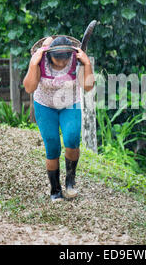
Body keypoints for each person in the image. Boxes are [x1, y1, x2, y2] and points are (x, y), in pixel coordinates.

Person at [23, 36, 94, 201]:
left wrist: (87, 64)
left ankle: (70, 181)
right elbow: (29, 88)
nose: (61, 64)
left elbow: (88, 87)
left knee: (72, 140)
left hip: (70, 105)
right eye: (57, 61)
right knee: (53, 147)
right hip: (45, 106)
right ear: (49, 55)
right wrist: (33, 64)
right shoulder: (40, 60)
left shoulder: (77, 60)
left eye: (65, 61)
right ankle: (55, 189)